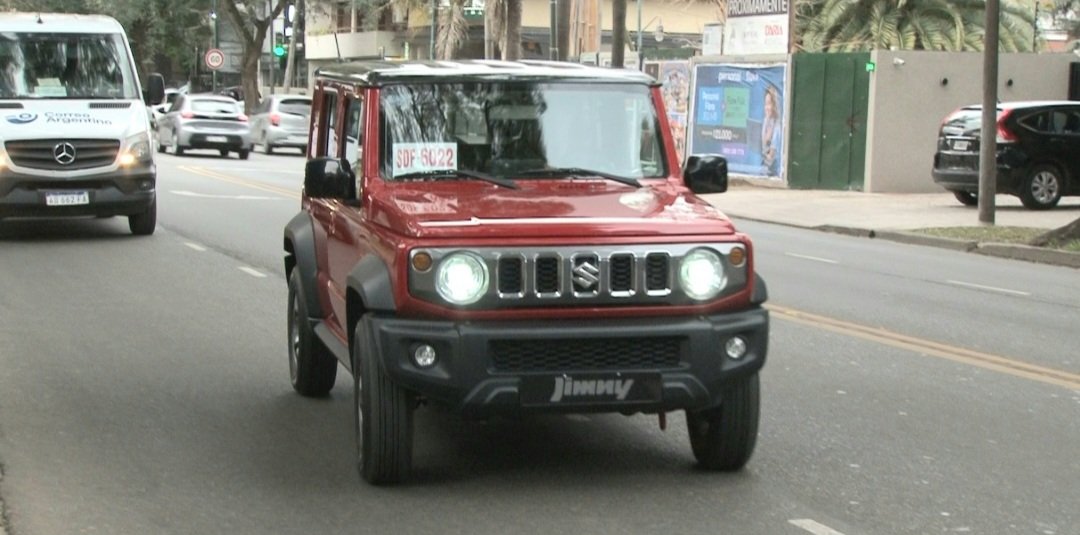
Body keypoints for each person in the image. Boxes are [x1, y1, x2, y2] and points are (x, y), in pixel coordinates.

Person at [761, 84, 782, 177]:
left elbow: (771, 156)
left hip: (773, 169)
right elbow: (763, 143)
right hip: (765, 165)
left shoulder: (777, 125)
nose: (767, 107)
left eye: (769, 103)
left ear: (774, 105)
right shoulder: (766, 120)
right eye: (766, 104)